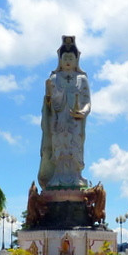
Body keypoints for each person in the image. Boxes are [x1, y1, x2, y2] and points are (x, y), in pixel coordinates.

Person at [38, 36, 90, 189]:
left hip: (75, 123)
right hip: (58, 121)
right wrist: (48, 97)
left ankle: (76, 176)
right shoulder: (54, 78)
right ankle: (57, 176)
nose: (68, 60)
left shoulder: (82, 79)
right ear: (59, 60)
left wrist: (82, 112)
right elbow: (50, 105)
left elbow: (87, 102)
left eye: (71, 57)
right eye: (65, 57)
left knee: (75, 147)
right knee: (59, 148)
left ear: (76, 59)